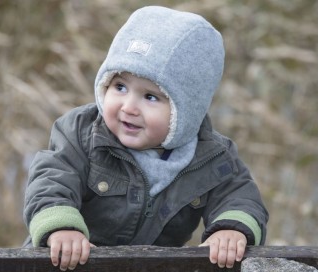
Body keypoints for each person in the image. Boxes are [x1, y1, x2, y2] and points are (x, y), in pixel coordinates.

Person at [23, 5, 269, 271]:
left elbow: (239, 195)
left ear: (185, 111)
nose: (128, 106)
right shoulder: (81, 132)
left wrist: (231, 230)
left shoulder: (211, 156)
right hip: (69, 262)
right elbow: (51, 178)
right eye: (120, 87)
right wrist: (62, 227)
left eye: (150, 97)